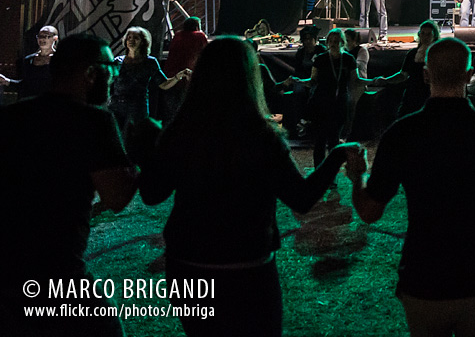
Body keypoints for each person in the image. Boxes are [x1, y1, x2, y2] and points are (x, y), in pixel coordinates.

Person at [139, 36, 360, 337]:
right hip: (247, 267)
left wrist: (146, 153)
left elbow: (152, 195)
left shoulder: (181, 132)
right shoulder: (262, 138)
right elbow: (301, 198)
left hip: (189, 264)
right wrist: (335, 156)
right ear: (249, 77)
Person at [346, 37, 475, 337]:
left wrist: (358, 176)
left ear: (425, 74)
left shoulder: (402, 133)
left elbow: (369, 212)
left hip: (424, 276)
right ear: (469, 73)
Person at [0, 33, 139, 336]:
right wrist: (142, 155)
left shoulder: (11, 116)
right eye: (109, 69)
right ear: (91, 73)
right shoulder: (94, 122)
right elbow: (116, 197)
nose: (113, 76)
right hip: (58, 267)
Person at [302, 29, 363, 177]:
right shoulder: (321, 59)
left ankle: (331, 174)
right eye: (331, 41)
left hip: (339, 103)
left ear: (342, 43)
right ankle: (319, 173)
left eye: (337, 42)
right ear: (327, 42)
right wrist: (297, 81)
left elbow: (356, 80)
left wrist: (376, 81)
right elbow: (313, 80)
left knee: (334, 140)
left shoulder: (349, 59)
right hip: (321, 103)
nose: (334, 44)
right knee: (320, 140)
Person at [110, 26, 171, 133]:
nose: (131, 40)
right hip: (117, 107)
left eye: (135, 38)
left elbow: (163, 83)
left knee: (137, 138)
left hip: (138, 108)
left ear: (143, 42)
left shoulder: (150, 62)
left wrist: (179, 76)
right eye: (129, 37)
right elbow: (108, 82)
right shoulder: (118, 61)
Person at [162, 17, 207, 124]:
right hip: (187, 78)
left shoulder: (177, 35)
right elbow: (205, 52)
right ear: (197, 26)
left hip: (170, 77)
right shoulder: (199, 36)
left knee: (171, 113)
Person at [0, 24, 58, 99]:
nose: (42, 39)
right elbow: (24, 85)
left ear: (55, 38)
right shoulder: (29, 60)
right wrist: (6, 81)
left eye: (46, 36)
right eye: (40, 36)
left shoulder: (59, 60)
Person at [342, 28, 371, 139]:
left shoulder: (362, 51)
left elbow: (359, 67)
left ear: (354, 41)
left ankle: (349, 132)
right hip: (344, 82)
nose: (345, 43)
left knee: (351, 101)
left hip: (358, 82)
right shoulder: (342, 51)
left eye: (347, 40)